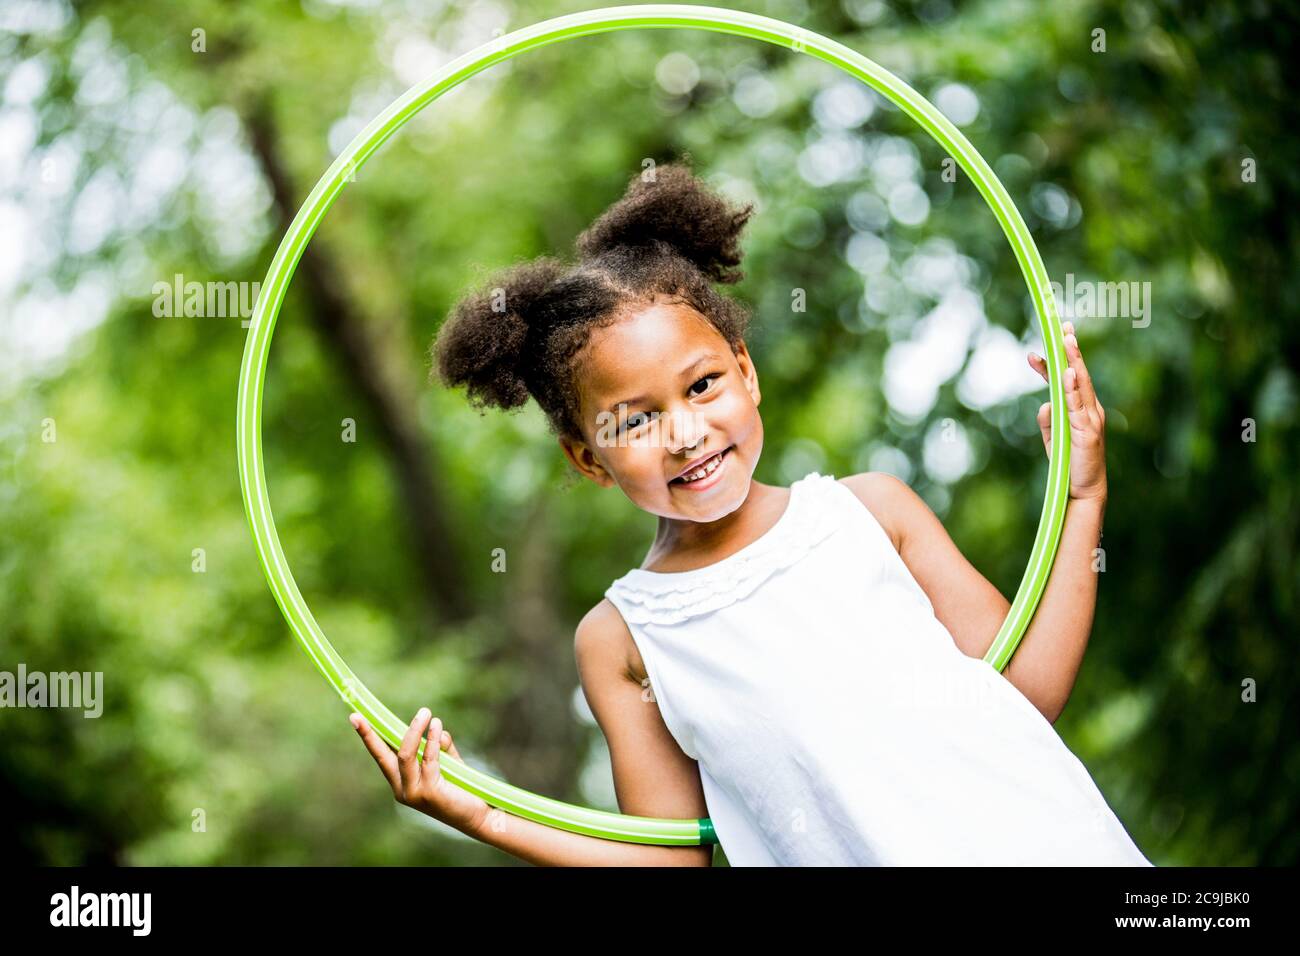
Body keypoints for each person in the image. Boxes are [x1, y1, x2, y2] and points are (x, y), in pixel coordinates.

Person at [350, 158, 1151, 867]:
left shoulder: (872, 512)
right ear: (587, 457)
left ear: (747, 373)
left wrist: (1082, 498)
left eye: (702, 386)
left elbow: (1026, 698)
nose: (685, 433)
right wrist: (484, 814)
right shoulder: (624, 639)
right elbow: (670, 858)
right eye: (634, 420)